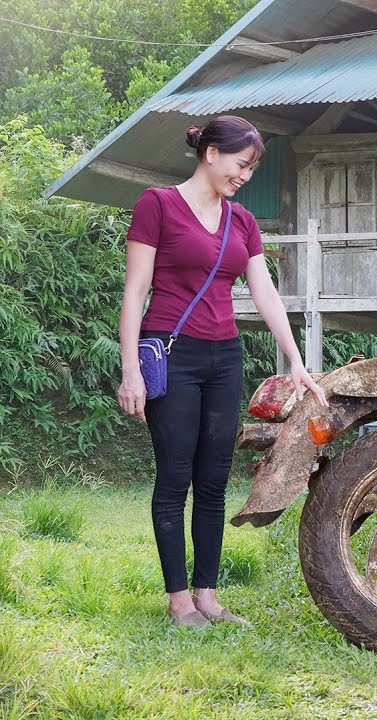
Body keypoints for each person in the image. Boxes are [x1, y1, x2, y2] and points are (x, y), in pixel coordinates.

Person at [117, 116, 327, 627]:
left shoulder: (242, 222)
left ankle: (208, 596)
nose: (246, 175)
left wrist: (295, 360)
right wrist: (130, 370)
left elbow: (264, 293)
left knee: (213, 481)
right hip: (172, 354)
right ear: (210, 153)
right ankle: (178, 601)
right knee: (175, 478)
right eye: (242, 164)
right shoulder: (158, 205)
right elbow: (135, 291)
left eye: (252, 168)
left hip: (224, 356)